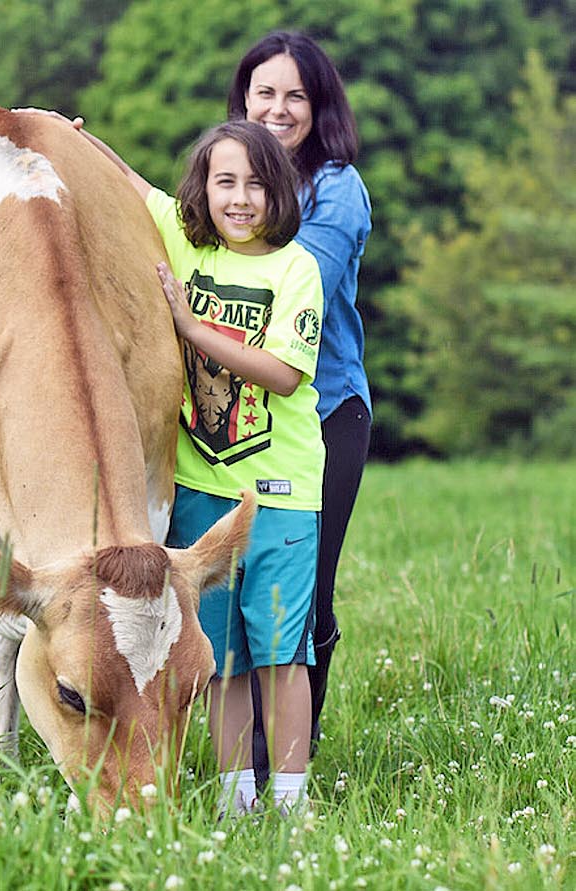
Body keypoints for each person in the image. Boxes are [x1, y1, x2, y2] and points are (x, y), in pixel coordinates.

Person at [66, 114, 324, 815]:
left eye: (256, 184)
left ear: (280, 192)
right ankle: (236, 796)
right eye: (224, 182)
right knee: (223, 657)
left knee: (280, 654)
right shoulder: (183, 240)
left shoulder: (295, 268)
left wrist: (190, 328)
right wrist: (74, 135)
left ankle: (291, 801)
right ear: (202, 189)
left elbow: (282, 374)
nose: (239, 198)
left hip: (280, 491)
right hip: (199, 488)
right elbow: (130, 183)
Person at [227, 31, 372, 774]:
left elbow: (289, 289)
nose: (278, 109)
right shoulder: (226, 180)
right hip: (237, 421)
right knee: (238, 591)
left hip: (323, 414)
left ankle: (284, 754)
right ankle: (242, 759)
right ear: (244, 100)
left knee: (304, 594)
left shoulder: (337, 189)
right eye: (265, 93)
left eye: (296, 97)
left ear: (319, 109)